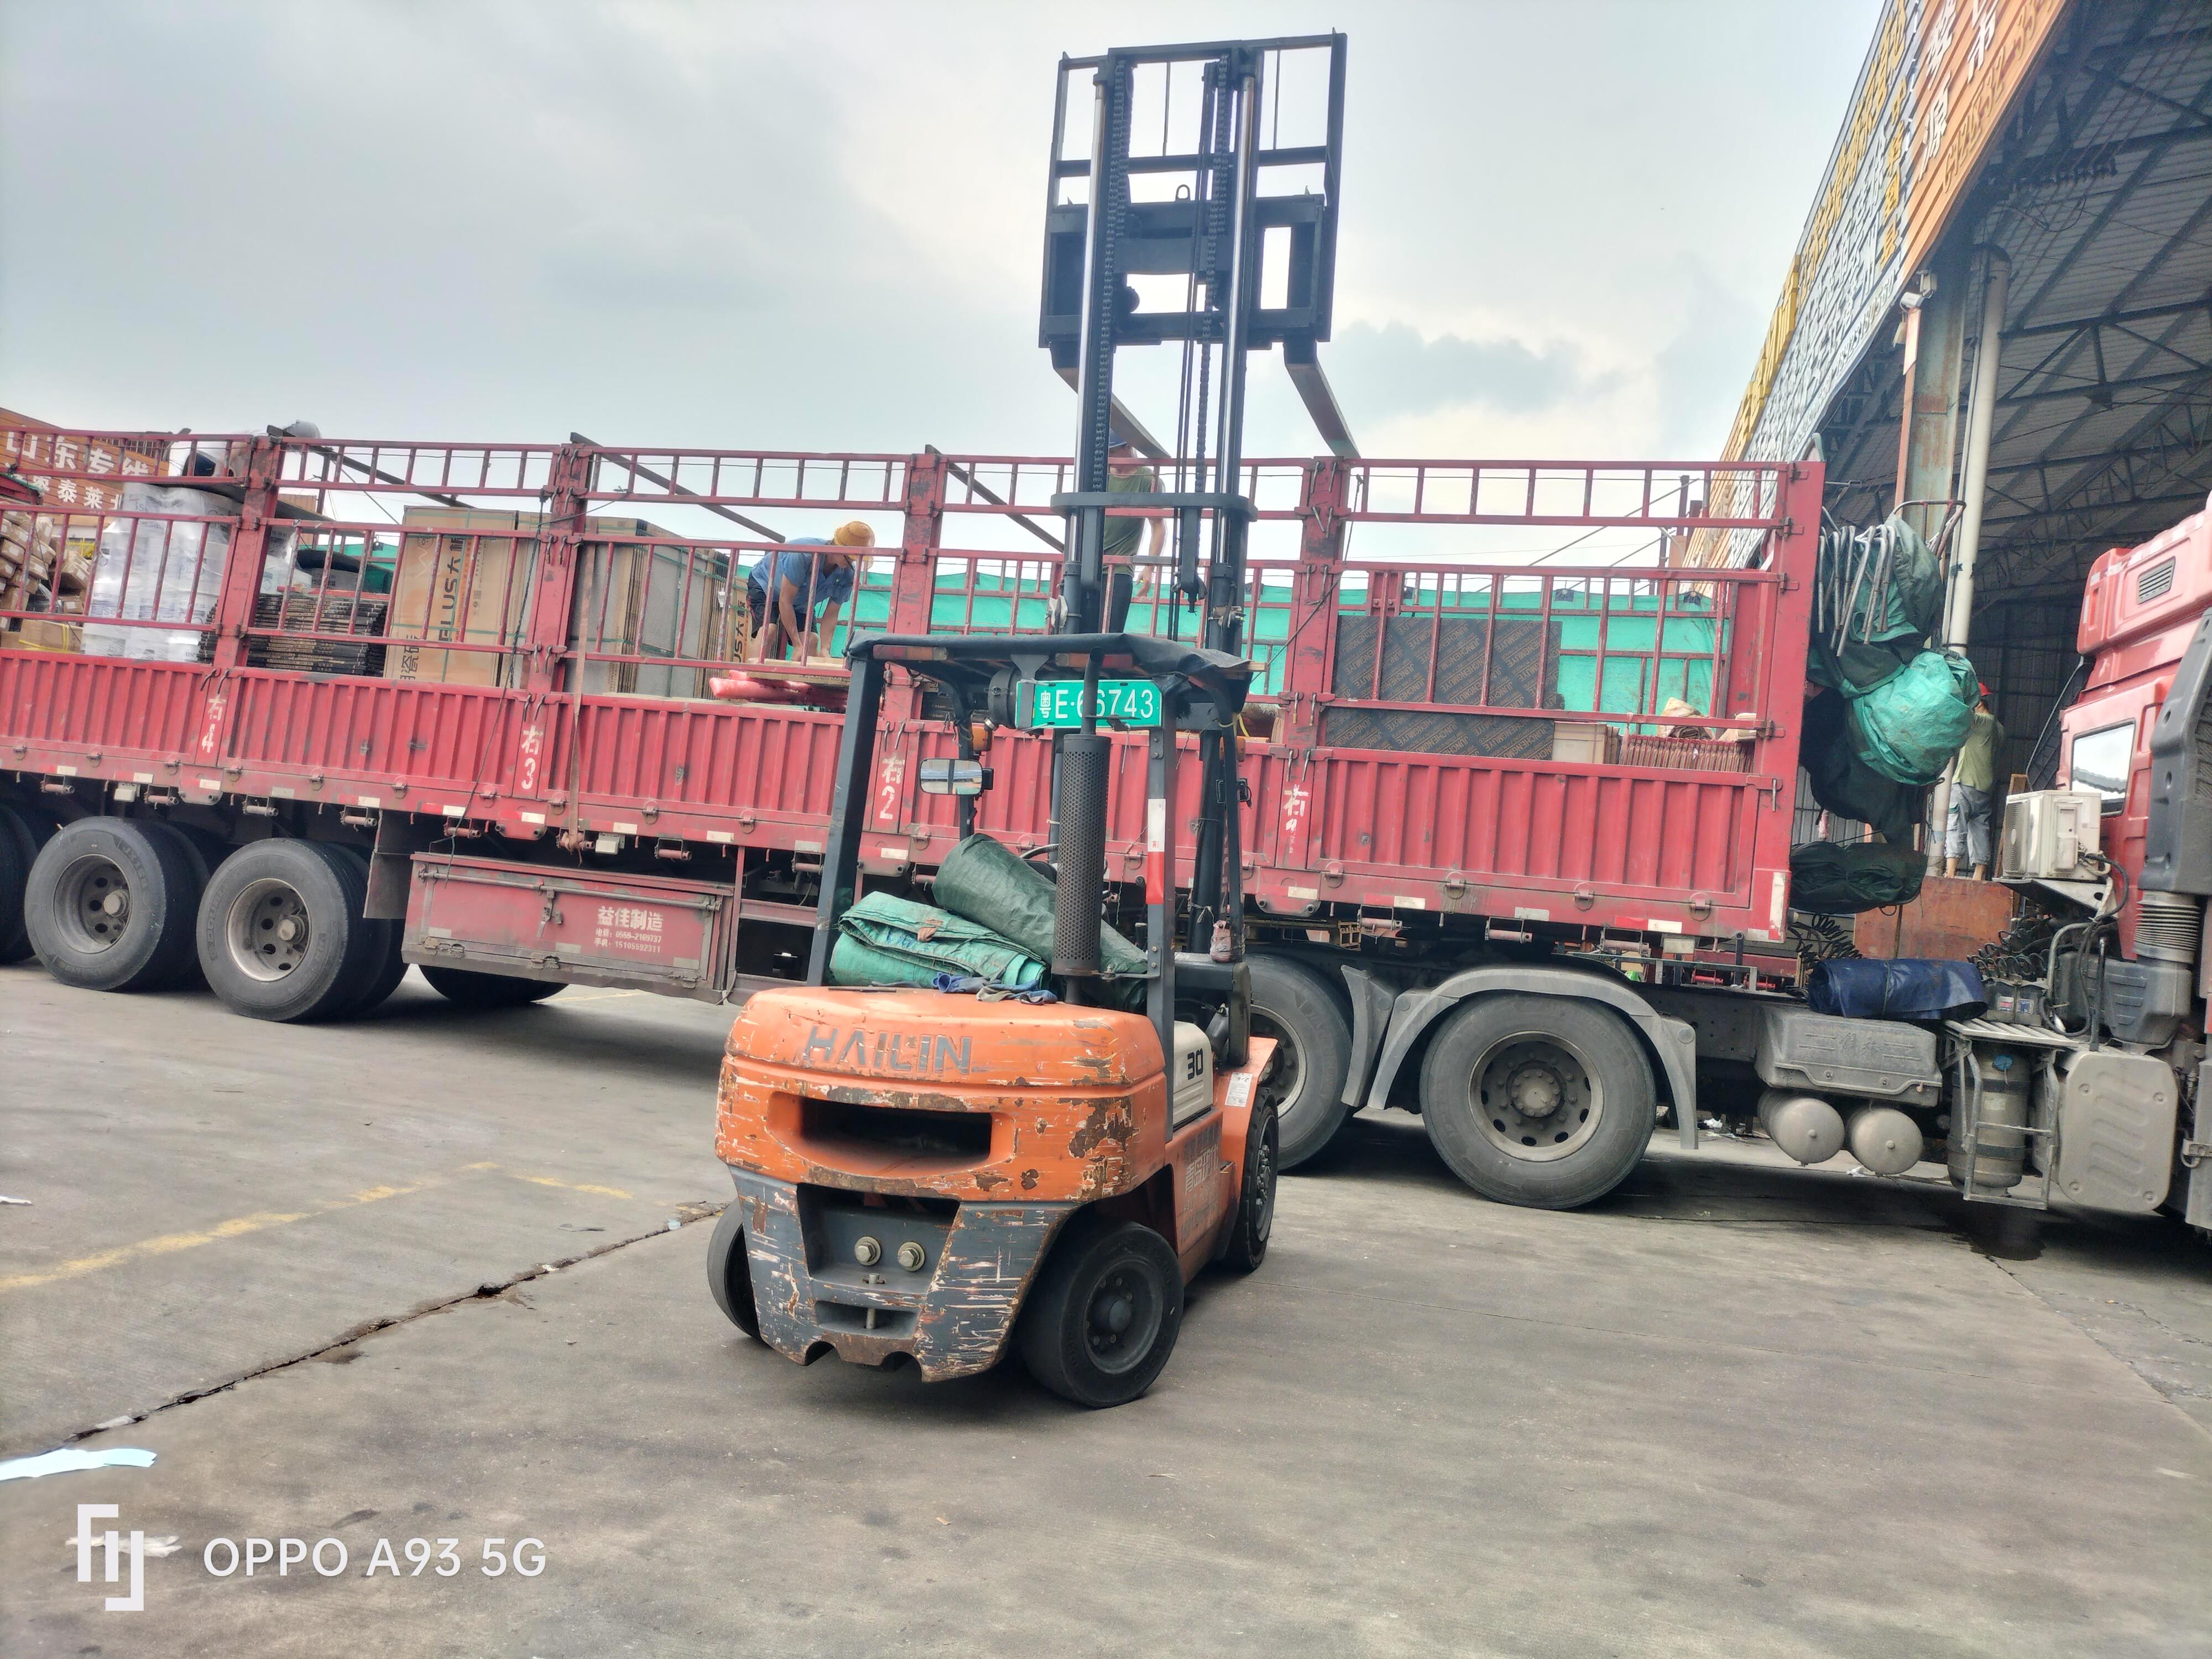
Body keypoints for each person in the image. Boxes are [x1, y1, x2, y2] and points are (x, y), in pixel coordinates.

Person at [747, 521, 874, 661]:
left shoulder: (849, 573)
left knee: (811, 641)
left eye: (855, 558)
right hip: (766, 585)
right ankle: (749, 675)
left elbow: (832, 613)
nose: (851, 561)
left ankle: (797, 682)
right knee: (768, 630)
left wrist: (825, 649)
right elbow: (785, 600)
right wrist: (796, 644)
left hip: (802, 600)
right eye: (849, 556)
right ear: (837, 546)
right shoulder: (804, 555)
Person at [1100, 431, 1167, 632]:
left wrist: (1149, 568)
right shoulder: (1098, 476)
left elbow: (1158, 526)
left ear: (1128, 447)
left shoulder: (1148, 481)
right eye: (1106, 453)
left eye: (1113, 452)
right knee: (1073, 634)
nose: (1109, 459)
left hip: (1120, 569)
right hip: (1087, 566)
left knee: (1108, 637)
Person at [1945, 682, 2005, 880]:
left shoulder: (1980, 722)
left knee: (1955, 825)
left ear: (1978, 702)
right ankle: (1978, 876)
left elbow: (1957, 714)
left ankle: (1951, 874)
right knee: (1980, 829)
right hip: (1985, 789)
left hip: (1965, 782)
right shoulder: (1999, 728)